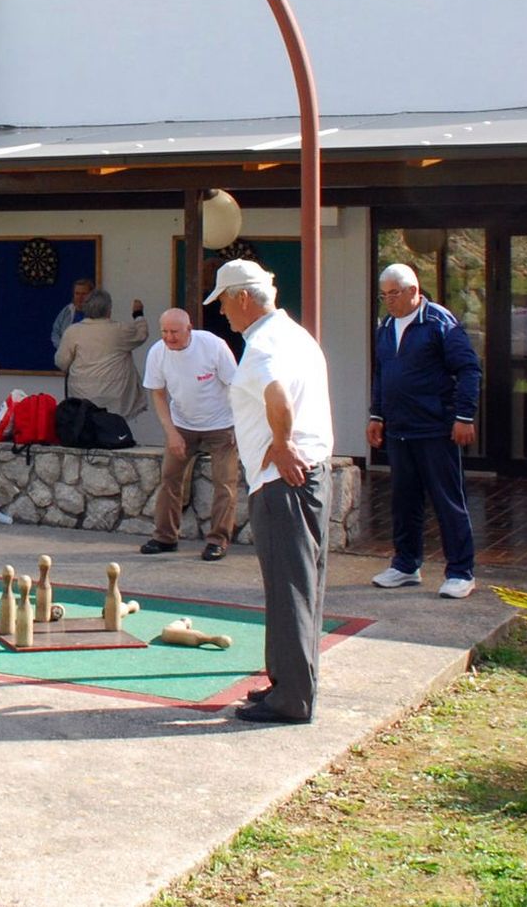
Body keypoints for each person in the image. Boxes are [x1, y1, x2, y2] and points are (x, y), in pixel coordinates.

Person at [208, 258, 333, 725]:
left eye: (223, 301)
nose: (222, 312)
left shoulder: (263, 345)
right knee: (295, 585)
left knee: (289, 586)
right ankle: (286, 684)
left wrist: (281, 445)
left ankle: (293, 697)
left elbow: (276, 395)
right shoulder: (294, 335)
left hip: (285, 479)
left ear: (242, 297)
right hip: (303, 473)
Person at [367, 263, 483, 600]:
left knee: (447, 500)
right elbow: (383, 373)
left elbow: (469, 369)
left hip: (435, 428)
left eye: (394, 294)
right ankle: (405, 564)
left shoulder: (439, 323)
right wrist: (377, 415)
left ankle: (461, 571)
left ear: (413, 291)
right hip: (399, 428)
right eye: (383, 294)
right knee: (403, 500)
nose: (388, 300)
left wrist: (464, 416)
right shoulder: (386, 326)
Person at [138, 308, 240, 561]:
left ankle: (218, 540)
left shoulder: (213, 346)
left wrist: (239, 425)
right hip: (183, 422)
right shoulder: (157, 352)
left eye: (175, 332)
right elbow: (158, 395)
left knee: (224, 483)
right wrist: (171, 432)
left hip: (221, 424)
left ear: (189, 329)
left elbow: (236, 386)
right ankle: (165, 537)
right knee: (170, 478)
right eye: (164, 332)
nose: (169, 338)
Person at [56, 289, 151, 428]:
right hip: (115, 398)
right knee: (113, 432)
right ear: (108, 310)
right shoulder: (120, 330)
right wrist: (138, 315)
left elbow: (61, 362)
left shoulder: (73, 331)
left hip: (81, 396)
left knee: (85, 432)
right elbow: (141, 334)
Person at [49, 277, 95, 358]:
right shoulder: (67, 311)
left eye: (84, 294)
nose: (80, 297)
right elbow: (55, 332)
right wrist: (63, 349)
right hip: (68, 359)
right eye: (77, 293)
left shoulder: (97, 313)